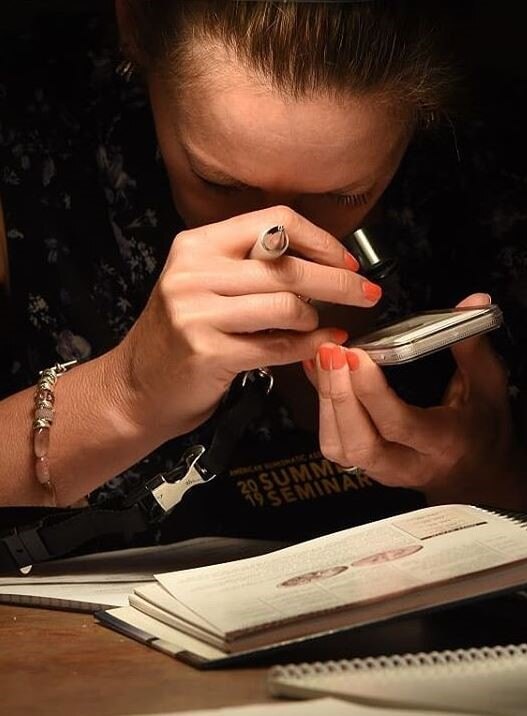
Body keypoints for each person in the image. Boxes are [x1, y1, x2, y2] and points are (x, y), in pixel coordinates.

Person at [0, 0, 526, 544]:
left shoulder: (488, 184)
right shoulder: (30, 138)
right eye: (218, 183)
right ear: (133, 32)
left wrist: (481, 477)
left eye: (343, 195)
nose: (276, 242)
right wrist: (127, 391)